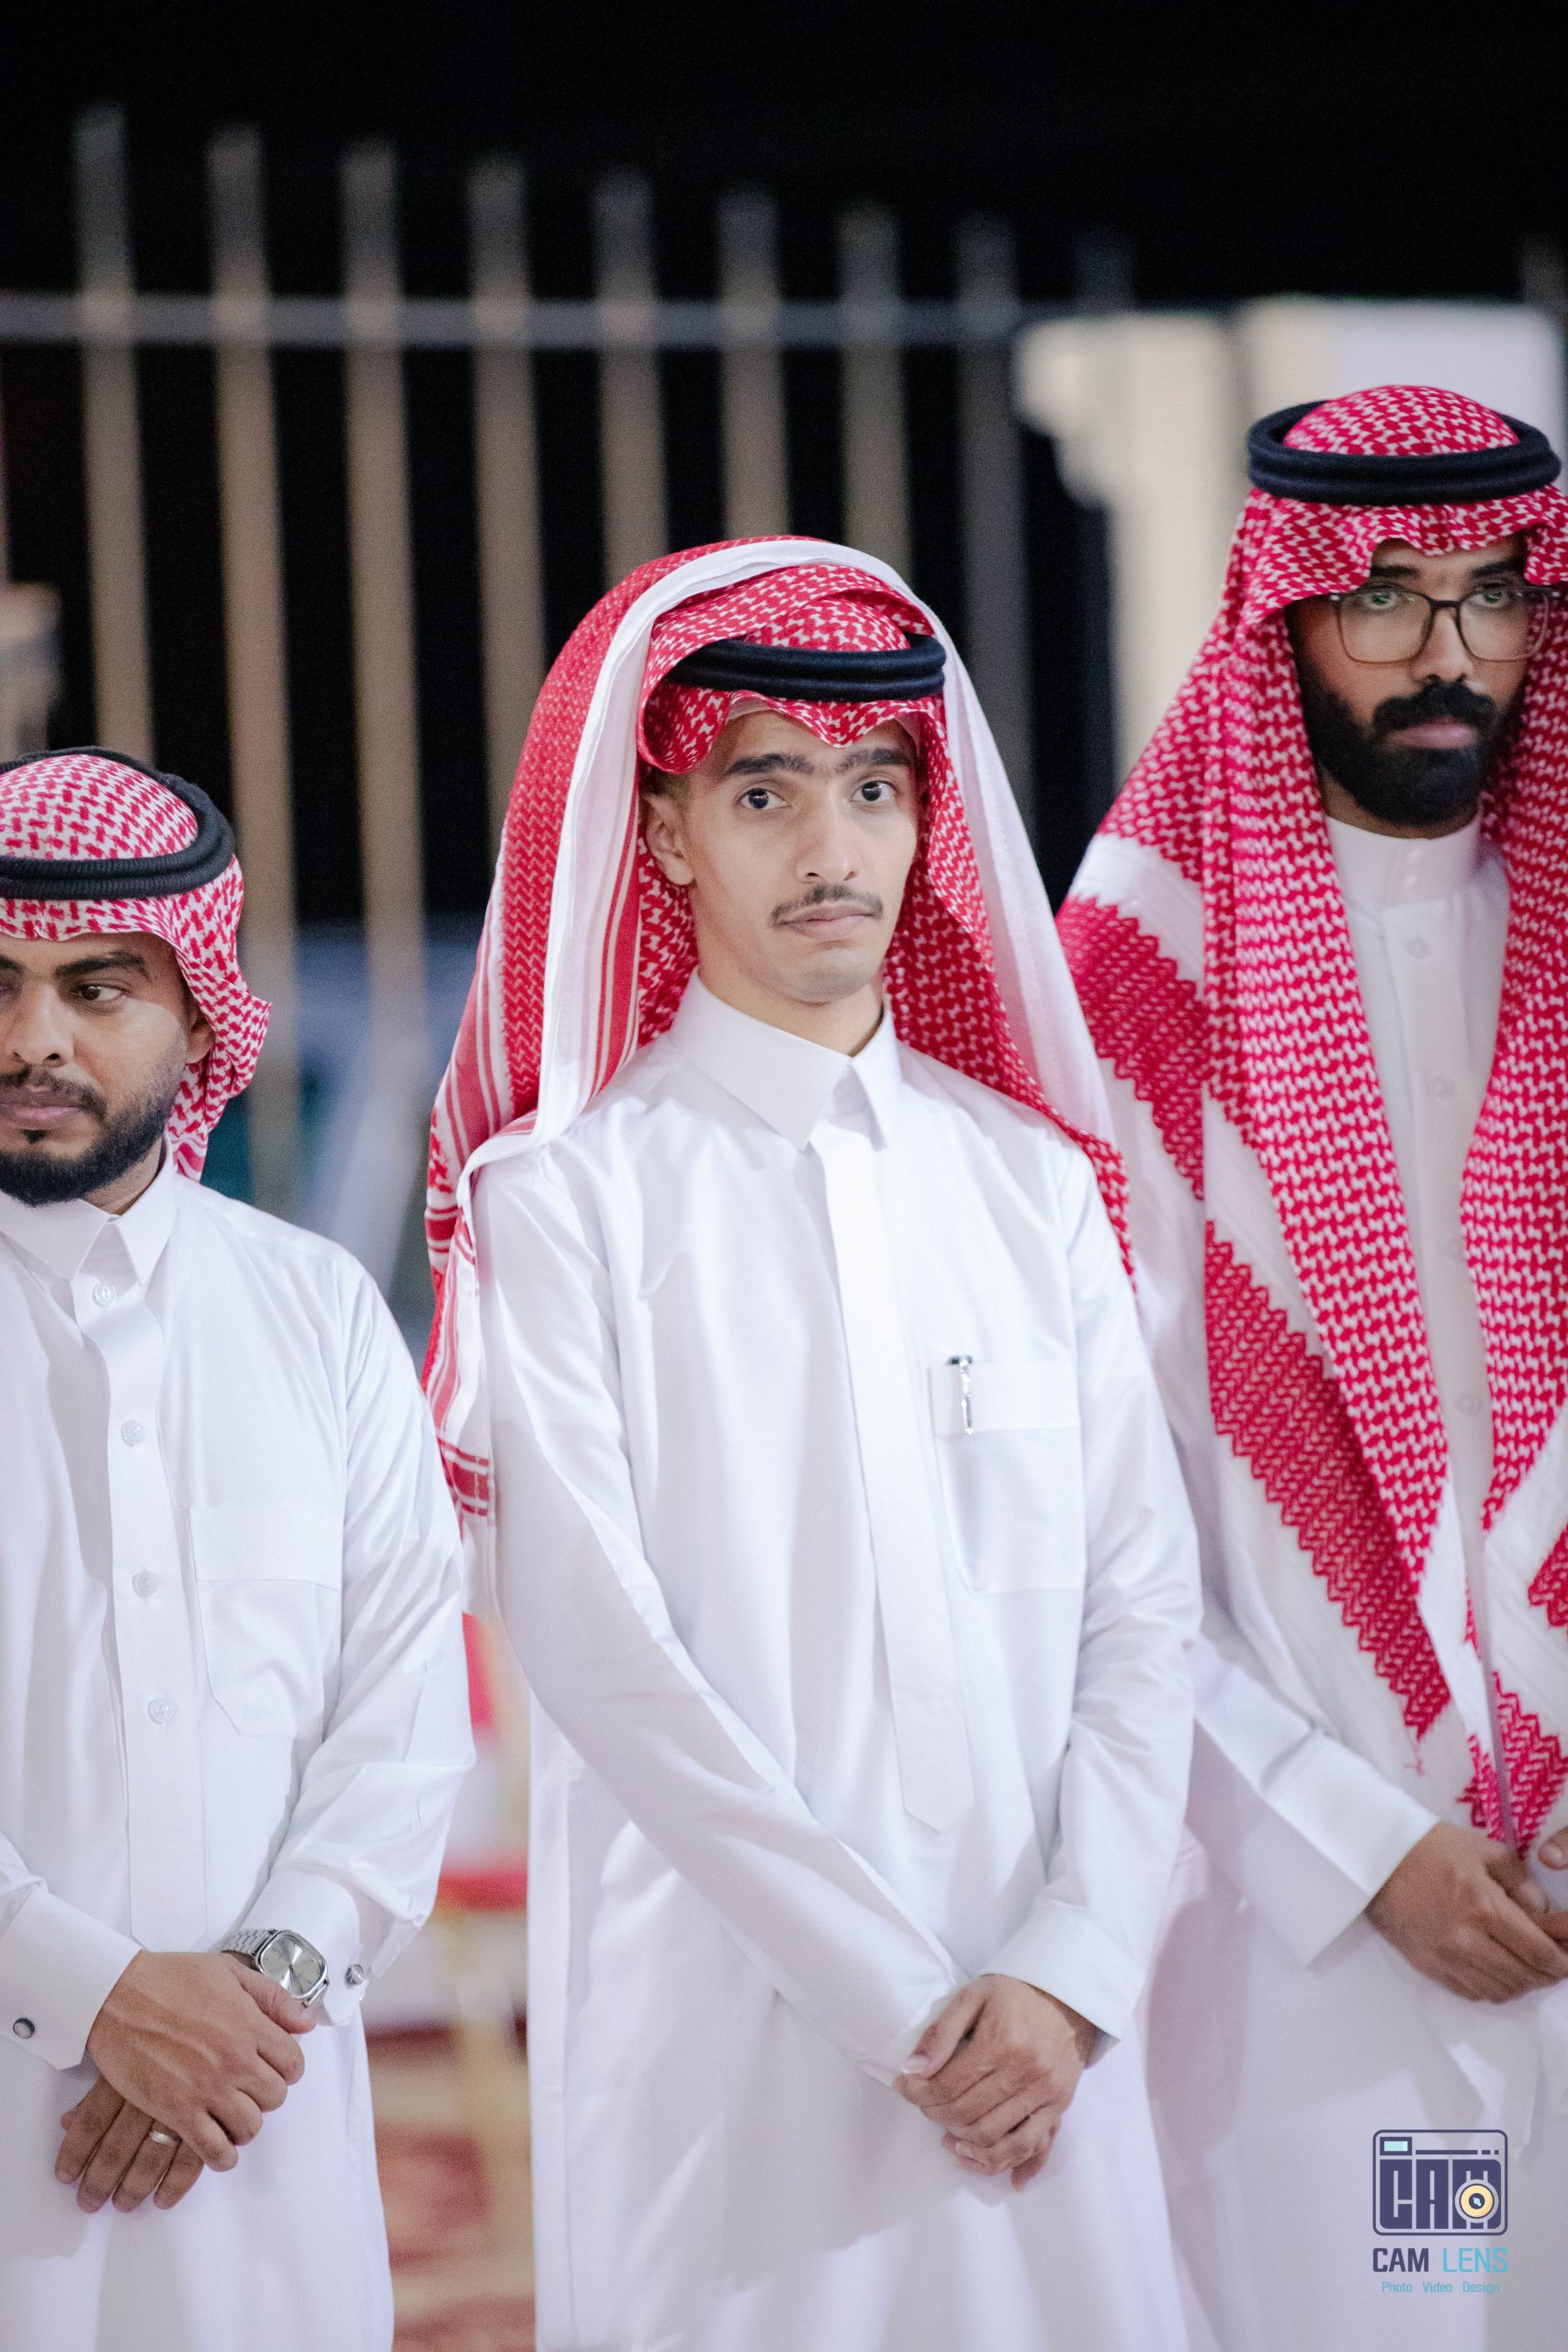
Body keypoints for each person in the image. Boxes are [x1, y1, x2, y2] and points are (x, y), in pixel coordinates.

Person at [424, 541, 1200, 2351]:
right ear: (667, 833)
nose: (831, 848)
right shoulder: (566, 1197)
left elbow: (1143, 1608)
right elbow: (600, 1653)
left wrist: (1071, 1966)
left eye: (873, 789)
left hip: (1048, 2031)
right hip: (725, 2032)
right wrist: (905, 2008)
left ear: (929, 825)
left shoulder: (1029, 1182)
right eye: (764, 792)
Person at [1059, 385, 1568, 2349]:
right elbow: (1088, 1544)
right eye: (1383, 596)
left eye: (1493, 594)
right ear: (1280, 613)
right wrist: (1356, 1850)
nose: (1447, 651)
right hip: (1323, 1932)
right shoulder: (1131, 998)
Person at [0, 748, 473, 2351]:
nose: (34, 1038)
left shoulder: (316, 1312)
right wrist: (98, 1997)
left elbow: (405, 1715)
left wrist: (249, 2001)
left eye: (97, 987)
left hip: (259, 2124)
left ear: (202, 1018)